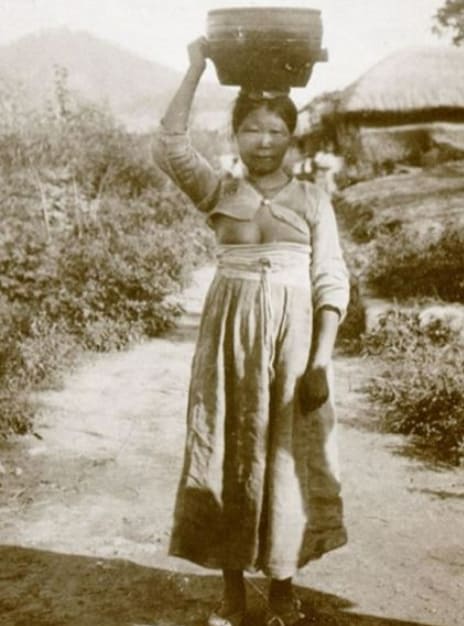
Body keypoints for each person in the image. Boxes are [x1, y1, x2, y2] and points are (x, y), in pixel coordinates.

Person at [153, 38, 350, 626]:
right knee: (227, 450)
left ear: (292, 137)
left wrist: (320, 362)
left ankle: (283, 590)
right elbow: (170, 143)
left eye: (275, 131)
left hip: (294, 343)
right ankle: (234, 593)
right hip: (228, 337)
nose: (263, 142)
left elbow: (330, 281)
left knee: (289, 456)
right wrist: (195, 67)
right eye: (251, 130)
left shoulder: (313, 199)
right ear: (235, 135)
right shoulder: (220, 192)